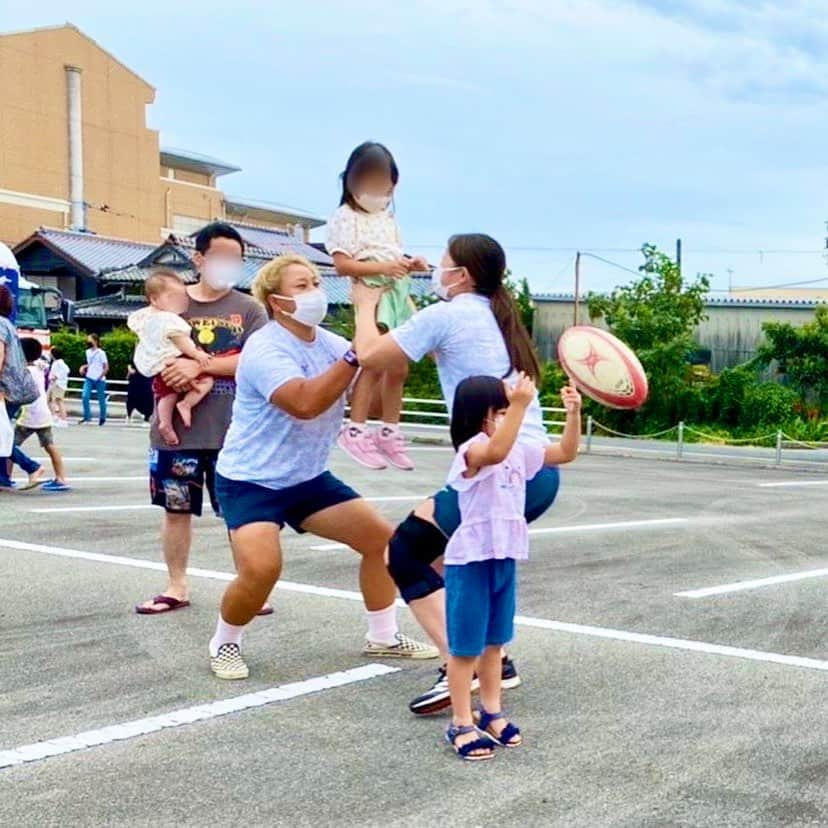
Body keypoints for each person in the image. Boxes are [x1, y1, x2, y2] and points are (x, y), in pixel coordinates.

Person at [352, 232, 570, 714]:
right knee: (441, 558)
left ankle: (460, 664)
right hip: (535, 471)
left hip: (499, 470)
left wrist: (366, 304)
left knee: (404, 551)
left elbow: (370, 355)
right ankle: (498, 661)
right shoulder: (497, 316)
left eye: (444, 264)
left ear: (462, 274)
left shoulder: (449, 315)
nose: (437, 270)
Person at [208, 253, 437, 679]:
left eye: (315, 281)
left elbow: (383, 365)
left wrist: (395, 307)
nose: (315, 291)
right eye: (302, 285)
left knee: (385, 543)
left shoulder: (329, 343)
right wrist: (355, 357)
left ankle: (383, 636)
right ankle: (225, 642)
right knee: (261, 569)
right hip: (250, 481)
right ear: (277, 301)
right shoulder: (265, 348)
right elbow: (305, 403)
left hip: (307, 479)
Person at [442, 373, 581, 759]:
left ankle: (491, 713)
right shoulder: (470, 451)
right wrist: (520, 404)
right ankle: (461, 721)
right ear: (479, 415)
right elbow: (495, 453)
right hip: (470, 561)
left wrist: (573, 413)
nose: (508, 419)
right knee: (465, 649)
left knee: (494, 644)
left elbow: (566, 453)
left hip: (503, 557)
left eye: (508, 412)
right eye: (500, 412)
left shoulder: (517, 449)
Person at [135, 222, 267, 615]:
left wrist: (200, 368)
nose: (229, 265)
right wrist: (177, 366)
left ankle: (250, 586)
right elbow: (146, 354)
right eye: (221, 256)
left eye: (236, 259)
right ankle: (176, 585)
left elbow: (258, 360)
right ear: (199, 258)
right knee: (175, 510)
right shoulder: (168, 301)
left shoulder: (250, 309)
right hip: (176, 435)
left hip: (236, 434)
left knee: (240, 515)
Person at [327, 142, 428, 472]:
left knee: (399, 365)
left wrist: (410, 264)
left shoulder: (389, 218)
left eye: (383, 184)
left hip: (396, 290)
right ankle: (355, 428)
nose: (378, 191)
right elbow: (343, 265)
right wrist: (383, 270)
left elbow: (392, 257)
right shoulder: (345, 218)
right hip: (371, 291)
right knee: (372, 360)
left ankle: (389, 430)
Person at [128, 270, 214, 446]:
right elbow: (183, 343)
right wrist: (198, 354)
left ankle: (165, 422)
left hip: (159, 366)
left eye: (182, 296)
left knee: (167, 395)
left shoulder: (146, 317)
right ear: (154, 299)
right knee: (207, 380)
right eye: (173, 297)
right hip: (176, 360)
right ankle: (187, 404)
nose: (181, 301)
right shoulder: (170, 320)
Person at [0, 285, 45, 491]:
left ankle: (32, 467)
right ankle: (2, 477)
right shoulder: (7, 324)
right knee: (3, 433)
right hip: (15, 389)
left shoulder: (0, 325)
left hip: (6, 389)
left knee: (2, 435)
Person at [15, 338, 70, 492]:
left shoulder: (26, 371)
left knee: (10, 447)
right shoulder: (40, 368)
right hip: (43, 413)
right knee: (50, 447)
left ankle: (6, 477)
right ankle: (61, 478)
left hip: (29, 415)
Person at [79, 333, 108, 425]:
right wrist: (83, 367)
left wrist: (100, 376)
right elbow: (90, 364)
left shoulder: (101, 353)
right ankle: (87, 417)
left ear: (95, 341)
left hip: (99, 379)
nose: (88, 341)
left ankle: (102, 418)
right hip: (89, 377)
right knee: (85, 396)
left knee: (101, 399)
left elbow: (106, 367)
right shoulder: (87, 352)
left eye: (90, 340)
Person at [126, 360, 154, 425]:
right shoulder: (137, 352)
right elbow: (130, 363)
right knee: (132, 397)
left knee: (148, 397)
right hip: (136, 377)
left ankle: (146, 418)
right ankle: (129, 416)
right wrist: (130, 370)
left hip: (147, 377)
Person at [47, 347, 70, 426]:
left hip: (59, 384)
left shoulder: (59, 362)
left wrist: (56, 376)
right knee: (49, 400)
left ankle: (63, 420)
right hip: (54, 384)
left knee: (59, 401)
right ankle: (54, 417)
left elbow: (67, 370)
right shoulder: (56, 362)